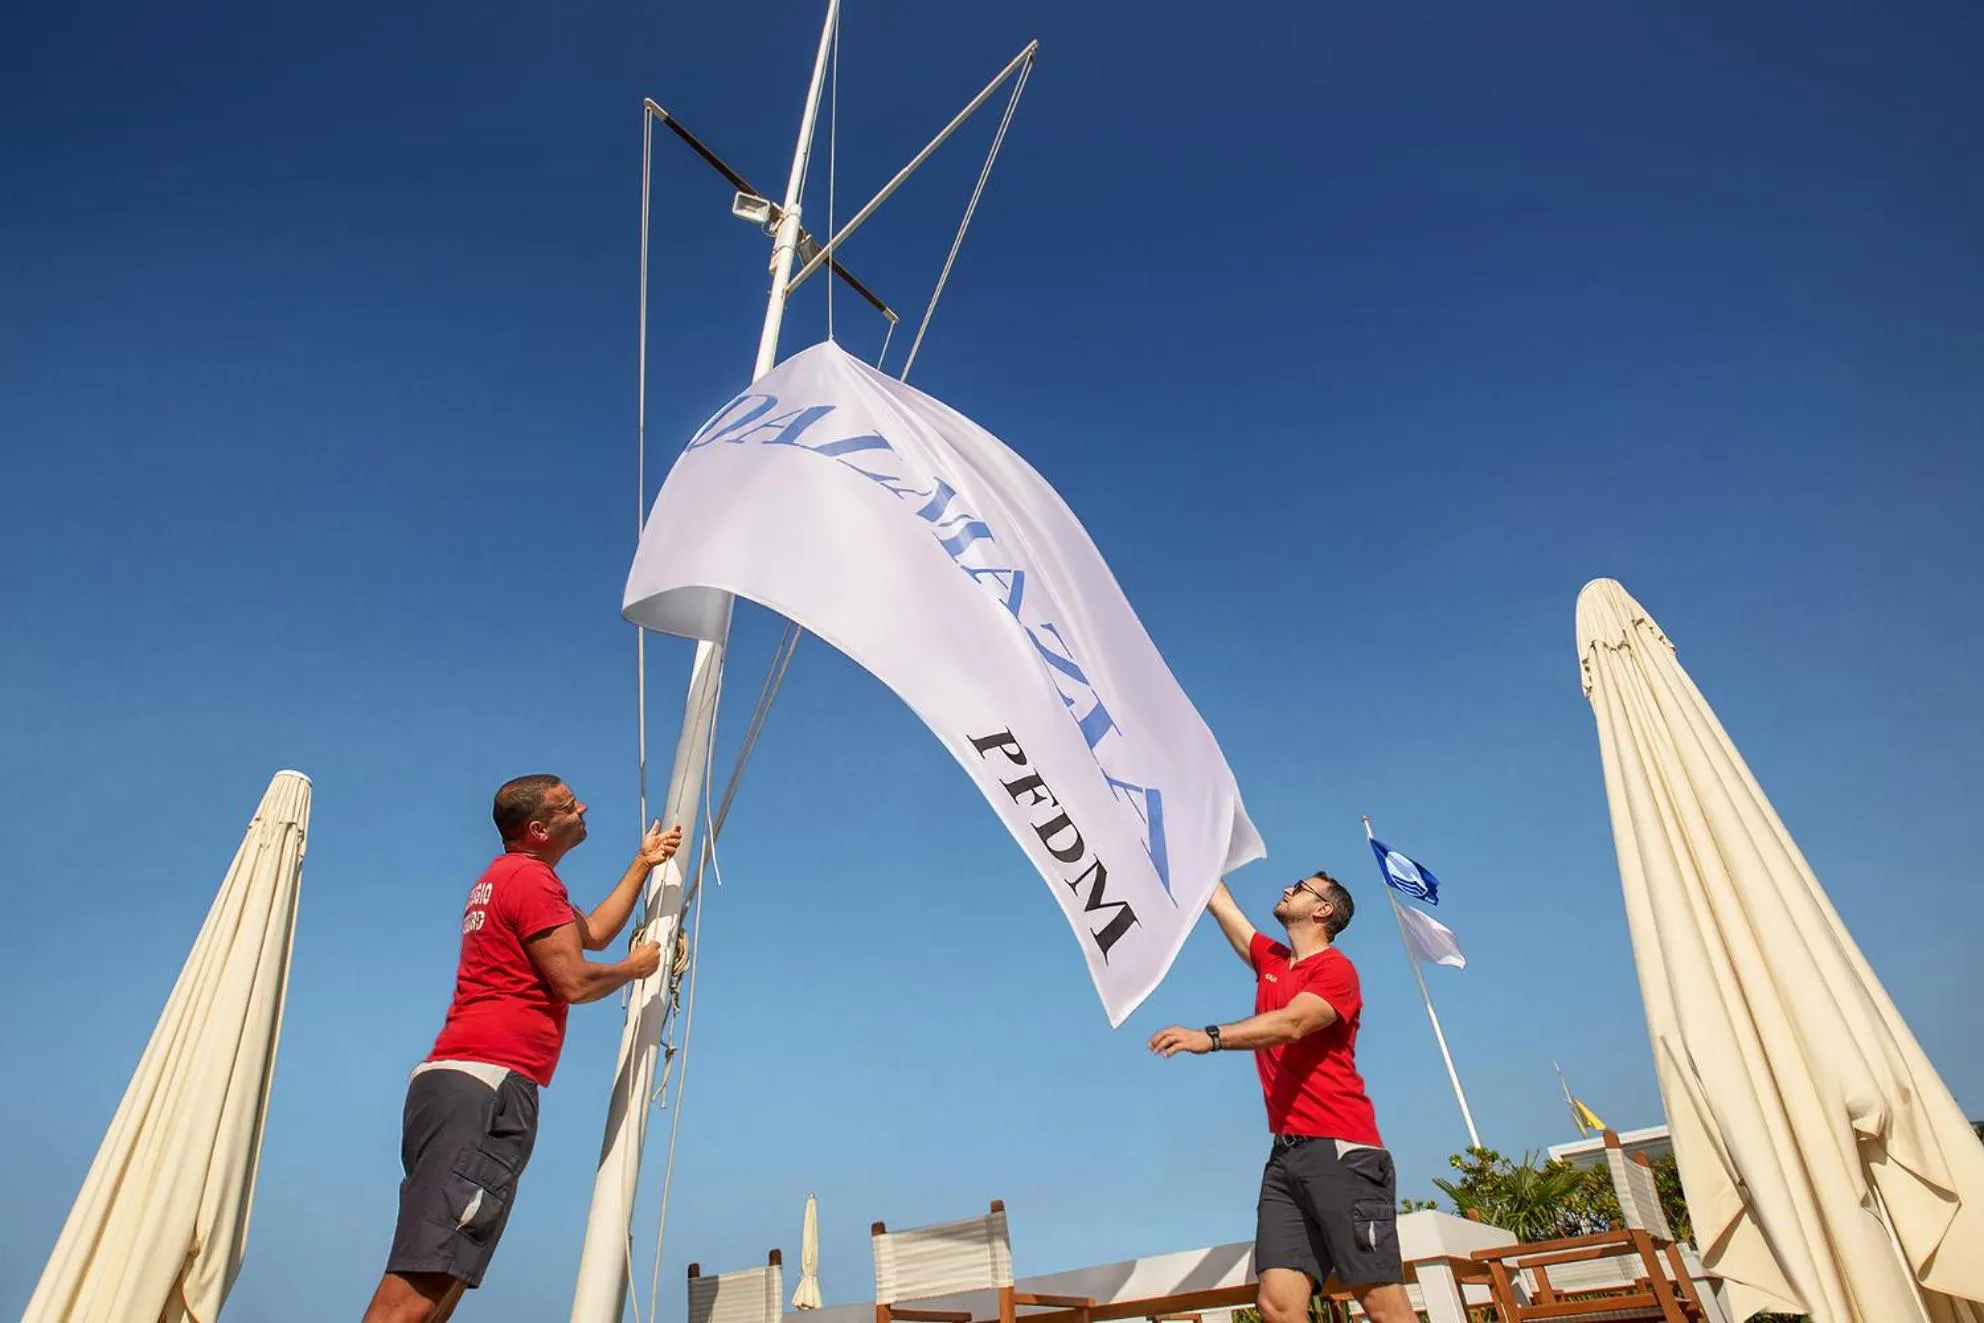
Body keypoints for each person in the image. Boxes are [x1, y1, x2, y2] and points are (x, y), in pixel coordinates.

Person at [361, 775, 682, 1323]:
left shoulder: (508, 879)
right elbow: (575, 982)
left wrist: (641, 864)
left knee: (446, 1275)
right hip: (485, 1084)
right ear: (537, 829)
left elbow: (594, 933)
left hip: (462, 1082)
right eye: (566, 805)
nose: (582, 806)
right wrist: (635, 970)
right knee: (417, 1287)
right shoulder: (530, 881)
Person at [1148, 872, 1415, 1323]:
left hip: (1341, 1150)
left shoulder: (1335, 970)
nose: (1287, 889)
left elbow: (1291, 1024)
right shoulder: (1272, 961)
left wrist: (1209, 1037)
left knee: (1380, 1302)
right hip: (1285, 1157)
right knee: (1276, 1303)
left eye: (1300, 887)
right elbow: (1220, 902)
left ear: (1322, 910)